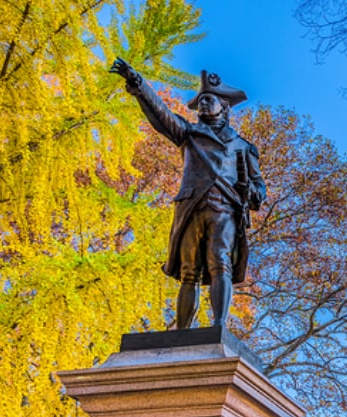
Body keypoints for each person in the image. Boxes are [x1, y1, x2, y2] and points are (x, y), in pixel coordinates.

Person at [110, 59, 266, 328]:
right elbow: (162, 115)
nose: (203, 104)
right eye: (201, 100)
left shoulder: (243, 146)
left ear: (224, 106)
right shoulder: (188, 133)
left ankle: (218, 326)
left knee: (220, 262)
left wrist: (251, 191)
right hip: (192, 207)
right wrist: (139, 85)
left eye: (209, 99)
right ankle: (181, 332)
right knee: (189, 270)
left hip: (225, 209)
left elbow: (259, 187)